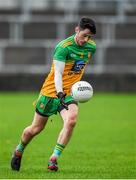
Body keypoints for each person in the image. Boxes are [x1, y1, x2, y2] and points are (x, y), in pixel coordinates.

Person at [11, 17, 96, 172]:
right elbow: (58, 73)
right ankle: (19, 149)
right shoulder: (63, 47)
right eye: (84, 35)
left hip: (69, 93)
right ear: (76, 30)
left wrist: (76, 88)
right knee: (35, 129)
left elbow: (78, 68)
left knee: (71, 120)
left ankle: (54, 158)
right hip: (51, 92)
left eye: (89, 37)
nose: (86, 39)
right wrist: (59, 93)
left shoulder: (91, 47)